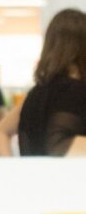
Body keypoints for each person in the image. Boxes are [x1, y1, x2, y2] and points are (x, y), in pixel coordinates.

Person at [16, 8, 86, 157]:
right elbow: (59, 145)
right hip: (70, 179)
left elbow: (1, 132)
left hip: (33, 178)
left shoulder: (35, 94)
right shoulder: (76, 91)